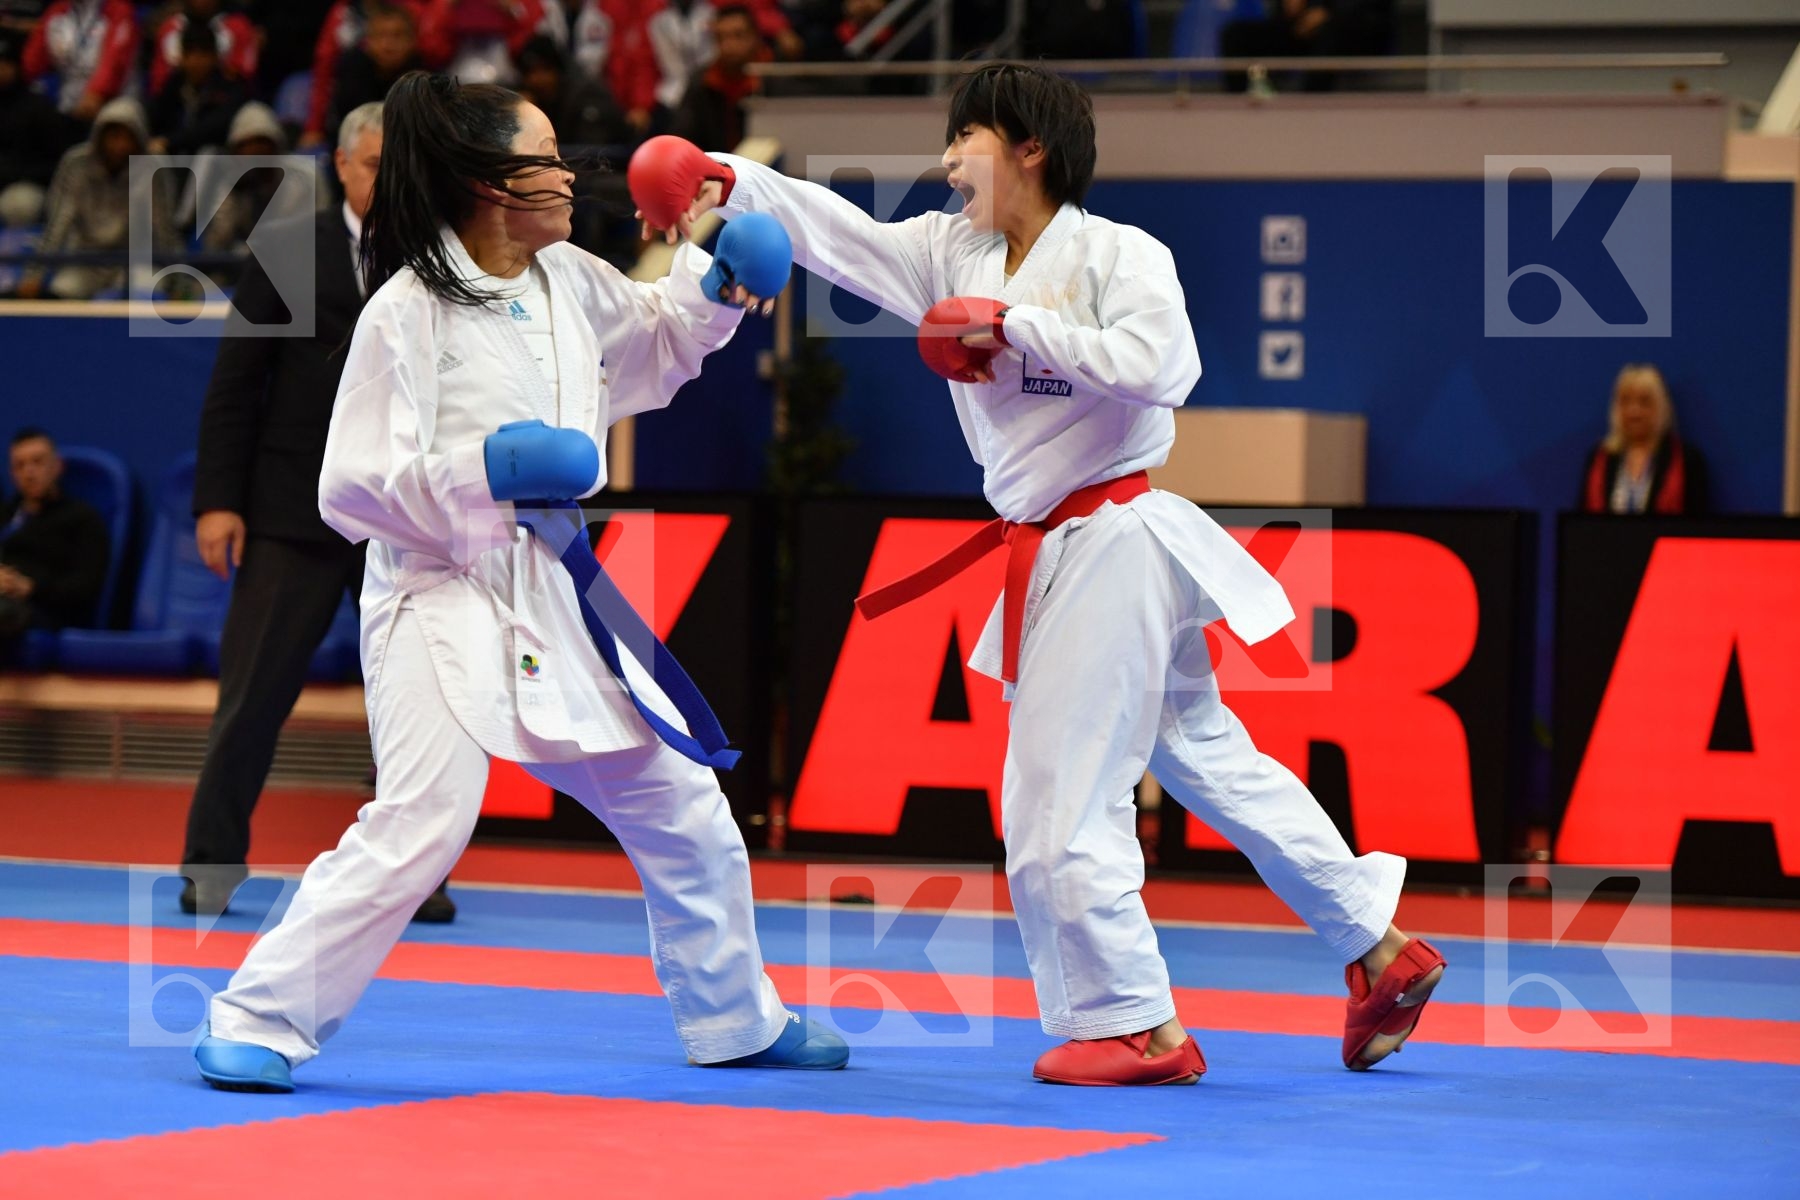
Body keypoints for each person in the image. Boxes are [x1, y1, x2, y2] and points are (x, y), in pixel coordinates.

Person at [636, 61, 1445, 1085]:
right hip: (1065, 549)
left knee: (1058, 800)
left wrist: (1014, 328)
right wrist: (728, 180)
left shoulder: (1120, 254)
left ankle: (1135, 1024)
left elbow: (1168, 368)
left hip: (1116, 535)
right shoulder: (948, 249)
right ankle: (1379, 947)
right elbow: (840, 237)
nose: (946, 161)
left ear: (1030, 146)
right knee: (1207, 757)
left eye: (966, 137)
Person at [192, 71, 845, 1092]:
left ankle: (735, 1019)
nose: (572, 177)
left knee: (682, 804)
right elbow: (348, 489)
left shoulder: (572, 281)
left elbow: (656, 345)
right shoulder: (404, 311)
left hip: (550, 587)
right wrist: (481, 472)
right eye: (548, 159)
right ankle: (260, 1015)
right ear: (491, 184)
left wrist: (712, 292)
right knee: (425, 820)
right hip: (433, 592)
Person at [180, 102, 459, 923]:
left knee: (412, 707)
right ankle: (211, 864)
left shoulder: (437, 259)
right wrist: (219, 503)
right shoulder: (292, 251)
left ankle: (417, 878)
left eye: (399, 169)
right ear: (341, 166)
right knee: (254, 696)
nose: (389, 183)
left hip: (403, 519)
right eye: (375, 166)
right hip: (293, 515)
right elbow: (237, 385)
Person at [19, 96, 176, 300]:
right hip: (84, 259)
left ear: (139, 140)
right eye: (114, 136)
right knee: (63, 291)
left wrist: (177, 280)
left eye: (128, 138)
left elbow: (164, 227)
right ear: (99, 136)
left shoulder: (152, 168)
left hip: (135, 261)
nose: (120, 146)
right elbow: (58, 222)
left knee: (148, 291)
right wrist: (34, 275)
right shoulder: (75, 164)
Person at [0, 428, 109, 647]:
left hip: (42, 611)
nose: (29, 472)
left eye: (37, 462)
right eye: (20, 465)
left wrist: (29, 587)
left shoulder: (82, 519)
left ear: (57, 466)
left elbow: (84, 589)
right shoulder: (5, 515)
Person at [1579, 363, 1708, 515]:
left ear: (1661, 407)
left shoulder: (1687, 459)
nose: (1634, 412)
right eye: (1626, 401)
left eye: (1644, 402)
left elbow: (1699, 526)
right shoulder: (1600, 458)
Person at [0, 29, 85, 230]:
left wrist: (17, 173)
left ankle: (15, 260)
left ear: (16, 66)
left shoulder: (38, 108)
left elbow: (58, 162)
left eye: (4, 64)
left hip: (26, 185)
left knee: (18, 205)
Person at [1220, 0, 1394, 93]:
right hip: (1305, 29)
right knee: (1235, 34)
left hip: (1357, 29)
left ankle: (1308, 104)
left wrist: (1329, 13)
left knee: (1332, 32)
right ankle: (1241, 102)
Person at [21, 0, 138, 123]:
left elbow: (115, 61)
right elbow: (32, 62)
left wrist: (97, 92)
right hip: (66, 101)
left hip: (112, 103)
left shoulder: (118, 10)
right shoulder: (57, 10)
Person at [669, 3, 763, 152]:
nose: (729, 45)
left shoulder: (774, 78)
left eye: (738, 36)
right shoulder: (701, 83)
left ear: (755, 37)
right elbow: (681, 140)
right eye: (721, 38)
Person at [147, 22, 250, 157]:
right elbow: (156, 115)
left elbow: (212, 129)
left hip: (218, 160)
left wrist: (170, 141)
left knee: (208, 154)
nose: (196, 61)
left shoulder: (230, 88)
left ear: (215, 57)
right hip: (175, 156)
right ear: (182, 57)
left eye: (203, 54)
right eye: (190, 54)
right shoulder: (174, 83)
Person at [328, 0, 425, 133]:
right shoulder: (352, 68)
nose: (388, 44)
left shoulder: (422, 77)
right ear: (368, 41)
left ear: (412, 41)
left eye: (398, 35)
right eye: (380, 35)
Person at [148, 0, 259, 97]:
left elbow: (244, 83)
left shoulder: (239, 27)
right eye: (191, 55)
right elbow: (158, 85)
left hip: (225, 103)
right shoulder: (169, 29)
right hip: (177, 104)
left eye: (203, 55)